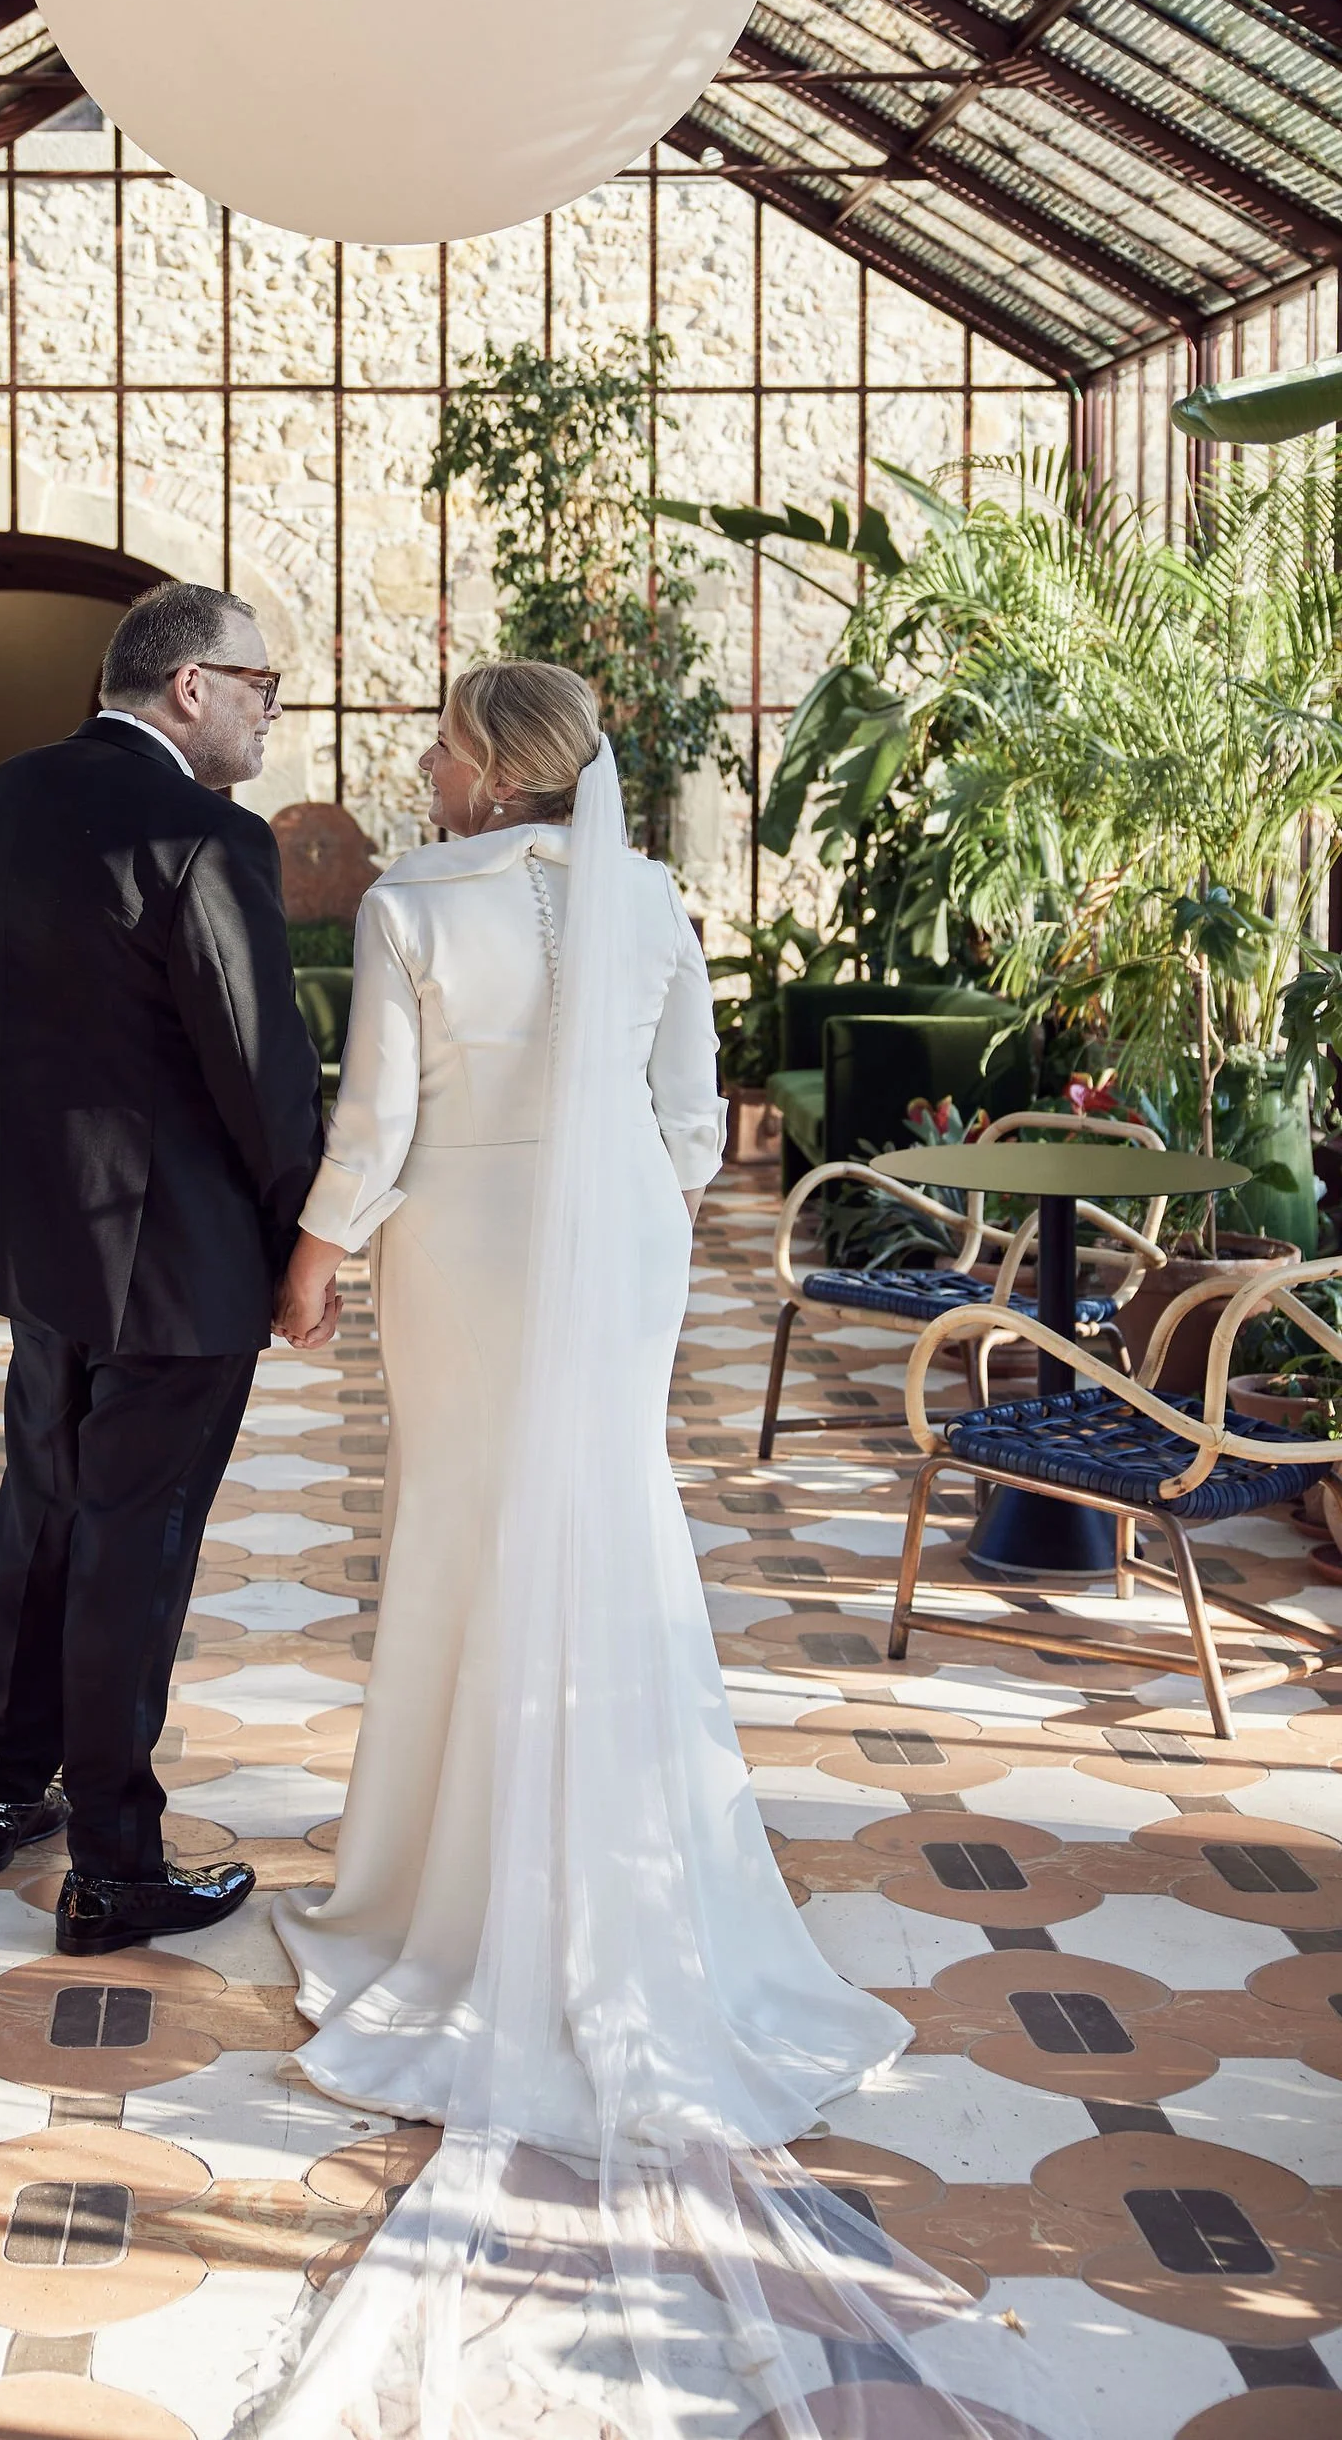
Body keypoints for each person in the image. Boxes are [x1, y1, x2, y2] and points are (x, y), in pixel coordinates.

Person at [249, 664, 1034, 2440]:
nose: (425, 762)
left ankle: (435, 1895)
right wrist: (620, 1195)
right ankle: (623, 1882)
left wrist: (319, 1250)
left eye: (446, 740)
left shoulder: (407, 901)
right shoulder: (657, 897)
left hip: (459, 1238)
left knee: (458, 1527)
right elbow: (695, 1120)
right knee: (612, 1510)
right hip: (612, 1242)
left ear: (501, 766)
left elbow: (372, 1121)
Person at [0, 581, 325, 1958]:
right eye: (262, 682)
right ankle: (116, 1862)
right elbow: (261, 1071)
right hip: (183, 1267)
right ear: (189, 684)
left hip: (41, 1245)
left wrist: (1, 1197)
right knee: (132, 1546)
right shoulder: (208, 836)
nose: (274, 708)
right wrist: (302, 1236)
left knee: (45, 1515)